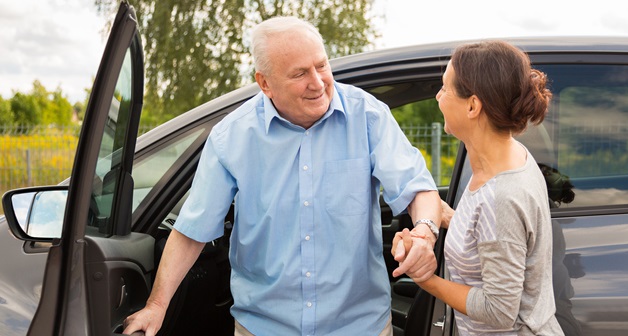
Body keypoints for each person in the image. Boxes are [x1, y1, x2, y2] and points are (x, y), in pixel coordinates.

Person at [123, 16, 441, 336]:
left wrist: (425, 234)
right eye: (300, 73)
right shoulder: (231, 138)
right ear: (265, 83)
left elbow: (417, 188)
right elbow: (192, 231)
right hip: (263, 328)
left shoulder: (368, 116)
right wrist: (156, 307)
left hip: (359, 327)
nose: (317, 82)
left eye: (321, 65)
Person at [392, 40, 563, 335]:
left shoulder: (503, 196)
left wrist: (425, 278)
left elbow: (498, 311)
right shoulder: (509, 157)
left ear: (472, 105)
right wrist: (446, 217)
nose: (438, 96)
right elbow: (491, 236)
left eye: (445, 88)